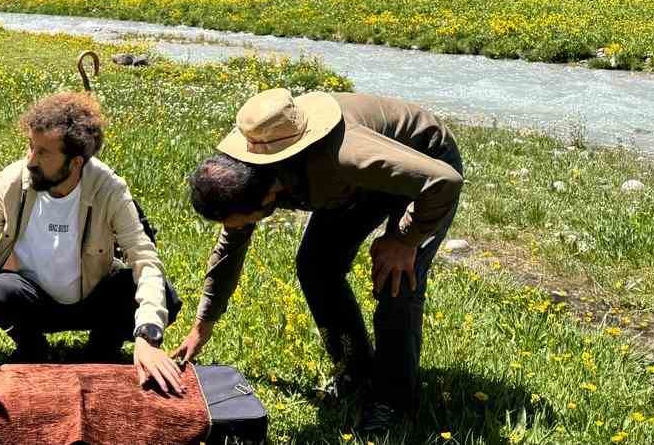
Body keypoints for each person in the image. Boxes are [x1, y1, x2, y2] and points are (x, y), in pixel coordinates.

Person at [175, 89, 465, 435]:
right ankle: (355, 370)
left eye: (244, 219)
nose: (239, 228)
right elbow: (230, 247)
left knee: (397, 280)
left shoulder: (345, 155)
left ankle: (392, 399)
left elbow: (443, 181)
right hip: (354, 184)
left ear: (269, 195)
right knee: (316, 265)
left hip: (425, 169)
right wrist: (202, 324)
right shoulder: (248, 171)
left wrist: (404, 241)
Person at [0, 92, 185, 396]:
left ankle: (103, 348)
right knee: (1, 290)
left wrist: (148, 334)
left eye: (43, 153)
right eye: (30, 147)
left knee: (162, 293)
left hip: (93, 301)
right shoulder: (12, 181)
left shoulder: (109, 188)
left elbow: (145, 260)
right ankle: (33, 348)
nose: (31, 160)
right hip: (34, 303)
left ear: (75, 162)